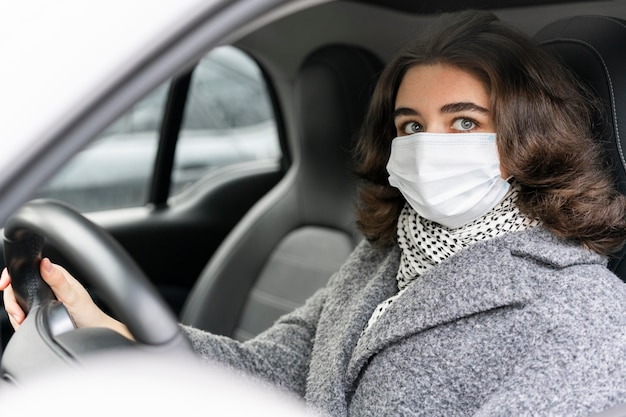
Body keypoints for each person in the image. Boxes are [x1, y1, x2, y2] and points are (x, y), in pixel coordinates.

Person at [3, 10, 626, 417]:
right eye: (410, 125)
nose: (427, 145)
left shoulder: (586, 322)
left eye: (464, 121)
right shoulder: (387, 253)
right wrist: (118, 336)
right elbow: (271, 369)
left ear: (529, 142)